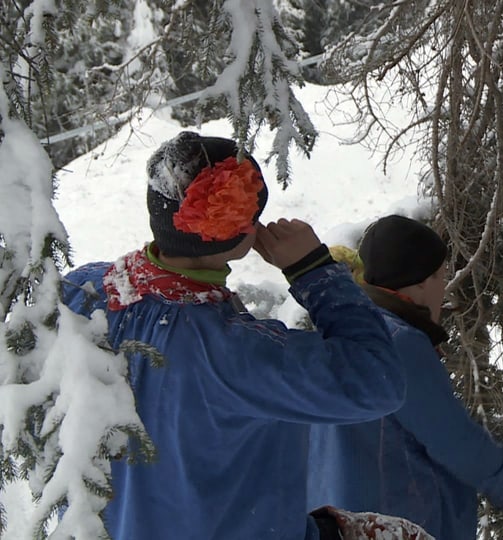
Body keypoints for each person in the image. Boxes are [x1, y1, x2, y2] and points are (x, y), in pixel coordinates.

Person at [61, 131, 407, 540]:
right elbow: (375, 382)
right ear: (240, 229)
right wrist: (313, 269)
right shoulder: (233, 351)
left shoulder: (79, 292)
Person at [306, 214, 503, 540]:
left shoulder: (342, 333)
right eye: (442, 275)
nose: (445, 288)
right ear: (422, 282)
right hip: (395, 523)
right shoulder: (397, 344)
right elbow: (452, 440)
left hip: (340, 522)